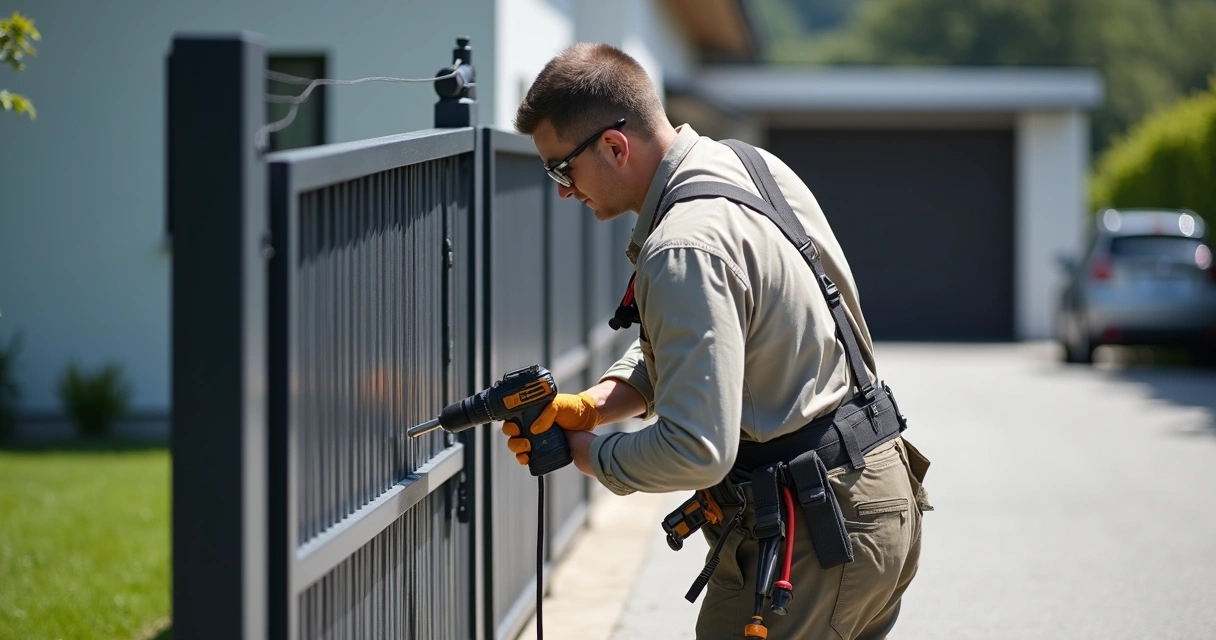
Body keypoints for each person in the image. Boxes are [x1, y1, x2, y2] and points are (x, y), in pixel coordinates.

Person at [500, 42, 932, 640]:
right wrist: (598, 402)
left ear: (613, 146)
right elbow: (719, 336)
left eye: (560, 169)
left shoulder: (682, 247)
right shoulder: (750, 165)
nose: (563, 191)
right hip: (877, 497)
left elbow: (696, 450)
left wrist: (582, 452)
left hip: (815, 534)